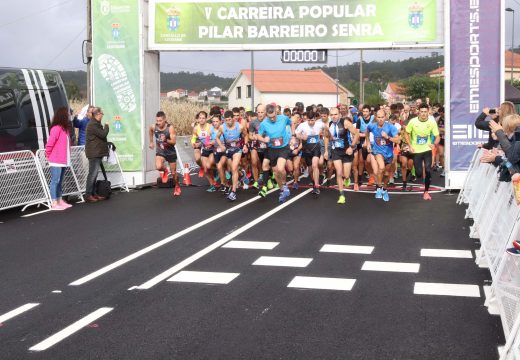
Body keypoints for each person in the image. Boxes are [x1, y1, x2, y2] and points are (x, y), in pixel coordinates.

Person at [255, 103, 294, 202]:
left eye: (273, 117)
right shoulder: (264, 123)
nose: (272, 119)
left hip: (283, 147)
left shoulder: (283, 118)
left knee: (281, 168)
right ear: (266, 115)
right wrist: (264, 140)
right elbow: (258, 135)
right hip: (272, 149)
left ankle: (285, 185)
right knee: (276, 172)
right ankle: (282, 190)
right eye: (270, 117)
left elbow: (291, 123)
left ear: (276, 113)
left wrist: (293, 136)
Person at [324, 107, 359, 204]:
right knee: (339, 172)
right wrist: (326, 151)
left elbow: (356, 134)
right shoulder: (328, 124)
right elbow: (326, 137)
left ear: (339, 114)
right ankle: (341, 195)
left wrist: (351, 147)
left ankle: (347, 178)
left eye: (335, 114)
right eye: (332, 115)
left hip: (346, 151)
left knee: (346, 174)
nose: (334, 116)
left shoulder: (345, 122)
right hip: (336, 151)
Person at [405, 104, 440, 200]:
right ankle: (416, 174)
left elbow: (437, 137)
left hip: (427, 149)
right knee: (419, 173)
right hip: (416, 151)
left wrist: (434, 144)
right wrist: (410, 145)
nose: (423, 114)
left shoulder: (432, 122)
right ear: (418, 112)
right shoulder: (413, 121)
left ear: (428, 112)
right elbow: (406, 133)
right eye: (422, 112)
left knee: (428, 170)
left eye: (425, 112)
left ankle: (426, 192)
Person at [366, 110, 400, 202]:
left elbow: (398, 140)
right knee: (381, 167)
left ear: (385, 117)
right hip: (377, 151)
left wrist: (388, 137)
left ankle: (384, 189)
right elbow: (367, 132)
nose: (380, 119)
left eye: (382, 117)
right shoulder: (372, 126)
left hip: (388, 153)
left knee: (386, 174)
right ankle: (379, 188)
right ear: (375, 117)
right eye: (378, 117)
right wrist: (368, 143)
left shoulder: (390, 127)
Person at [216, 110, 249, 201]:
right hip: (228, 150)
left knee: (234, 168)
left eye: (230, 119)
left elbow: (246, 135)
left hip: (237, 149)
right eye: (226, 120)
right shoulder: (222, 127)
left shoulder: (240, 127)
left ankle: (233, 192)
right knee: (231, 169)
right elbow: (217, 138)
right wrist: (221, 145)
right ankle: (242, 174)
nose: (228, 122)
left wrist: (245, 145)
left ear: (233, 119)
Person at [45, 107, 73, 210]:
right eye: (68, 114)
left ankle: (60, 200)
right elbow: (50, 144)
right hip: (56, 160)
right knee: (55, 181)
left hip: (63, 160)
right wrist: (48, 155)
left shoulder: (64, 129)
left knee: (60, 181)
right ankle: (54, 202)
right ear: (63, 116)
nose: (69, 116)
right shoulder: (56, 128)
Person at [149, 111, 181, 196]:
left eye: (160, 121)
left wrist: (166, 140)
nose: (158, 123)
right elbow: (150, 130)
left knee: (174, 173)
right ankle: (165, 170)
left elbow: (174, 142)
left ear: (165, 120)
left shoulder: (170, 128)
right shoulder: (154, 126)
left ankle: (177, 186)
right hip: (161, 151)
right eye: (157, 121)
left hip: (170, 152)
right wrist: (151, 142)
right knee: (158, 166)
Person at [85, 107, 109, 203]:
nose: (102, 115)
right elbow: (103, 134)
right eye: (102, 114)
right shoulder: (92, 125)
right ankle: (88, 194)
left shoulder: (95, 124)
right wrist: (107, 126)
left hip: (96, 152)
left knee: (94, 174)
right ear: (98, 114)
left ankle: (93, 193)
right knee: (92, 174)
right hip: (93, 153)